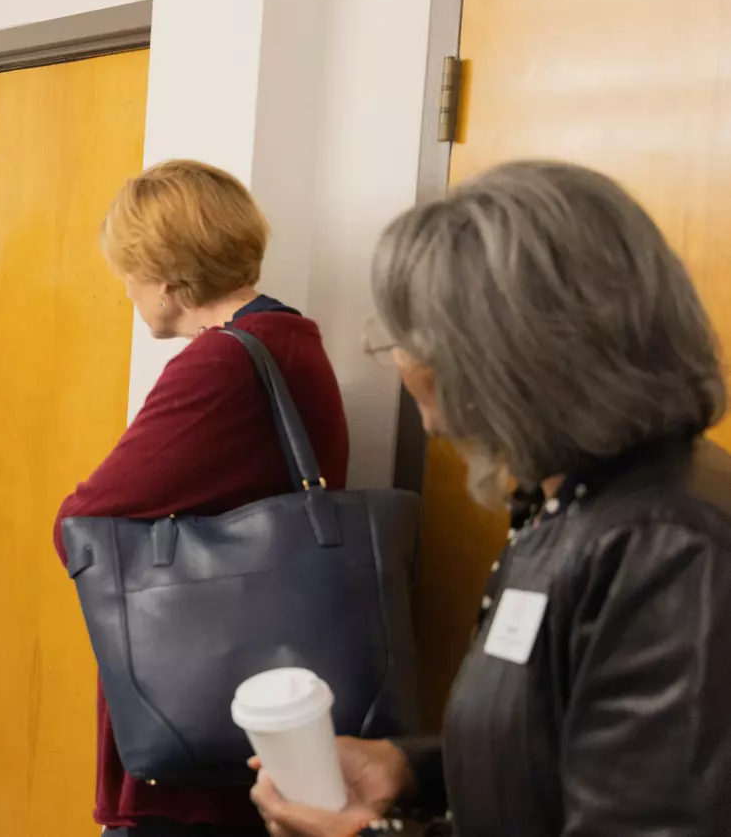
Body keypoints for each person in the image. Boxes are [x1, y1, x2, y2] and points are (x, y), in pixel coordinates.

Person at [253, 160, 731, 837]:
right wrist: (413, 768)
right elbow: (569, 739)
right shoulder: (569, 499)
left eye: (405, 336)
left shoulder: (669, 546)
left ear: (503, 353)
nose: (398, 362)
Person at [53, 160, 349, 837]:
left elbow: (80, 525)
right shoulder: (290, 340)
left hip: (196, 706)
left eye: (128, 271)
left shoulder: (221, 363)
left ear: (168, 278)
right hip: (262, 686)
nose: (125, 288)